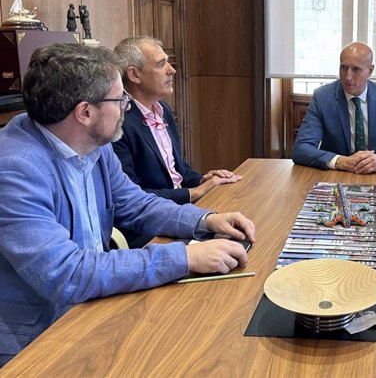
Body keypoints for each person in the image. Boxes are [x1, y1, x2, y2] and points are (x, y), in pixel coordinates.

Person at [0, 43, 255, 366]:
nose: (126, 107)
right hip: (36, 340)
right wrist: (185, 256)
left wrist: (205, 221)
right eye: (120, 99)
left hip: (89, 307)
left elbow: (136, 204)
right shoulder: (15, 169)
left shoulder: (92, 141)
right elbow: (65, 274)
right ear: (85, 112)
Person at [112, 37, 242, 206]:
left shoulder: (162, 109)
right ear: (134, 74)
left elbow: (176, 169)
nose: (172, 70)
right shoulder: (117, 123)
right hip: (153, 222)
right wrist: (194, 192)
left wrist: (203, 180)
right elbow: (131, 195)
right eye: (161, 64)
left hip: (181, 207)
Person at [292, 42, 376, 174]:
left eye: (356, 69)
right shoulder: (322, 97)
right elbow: (301, 149)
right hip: (336, 174)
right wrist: (341, 161)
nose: (348, 77)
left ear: (370, 71)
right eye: (343, 68)